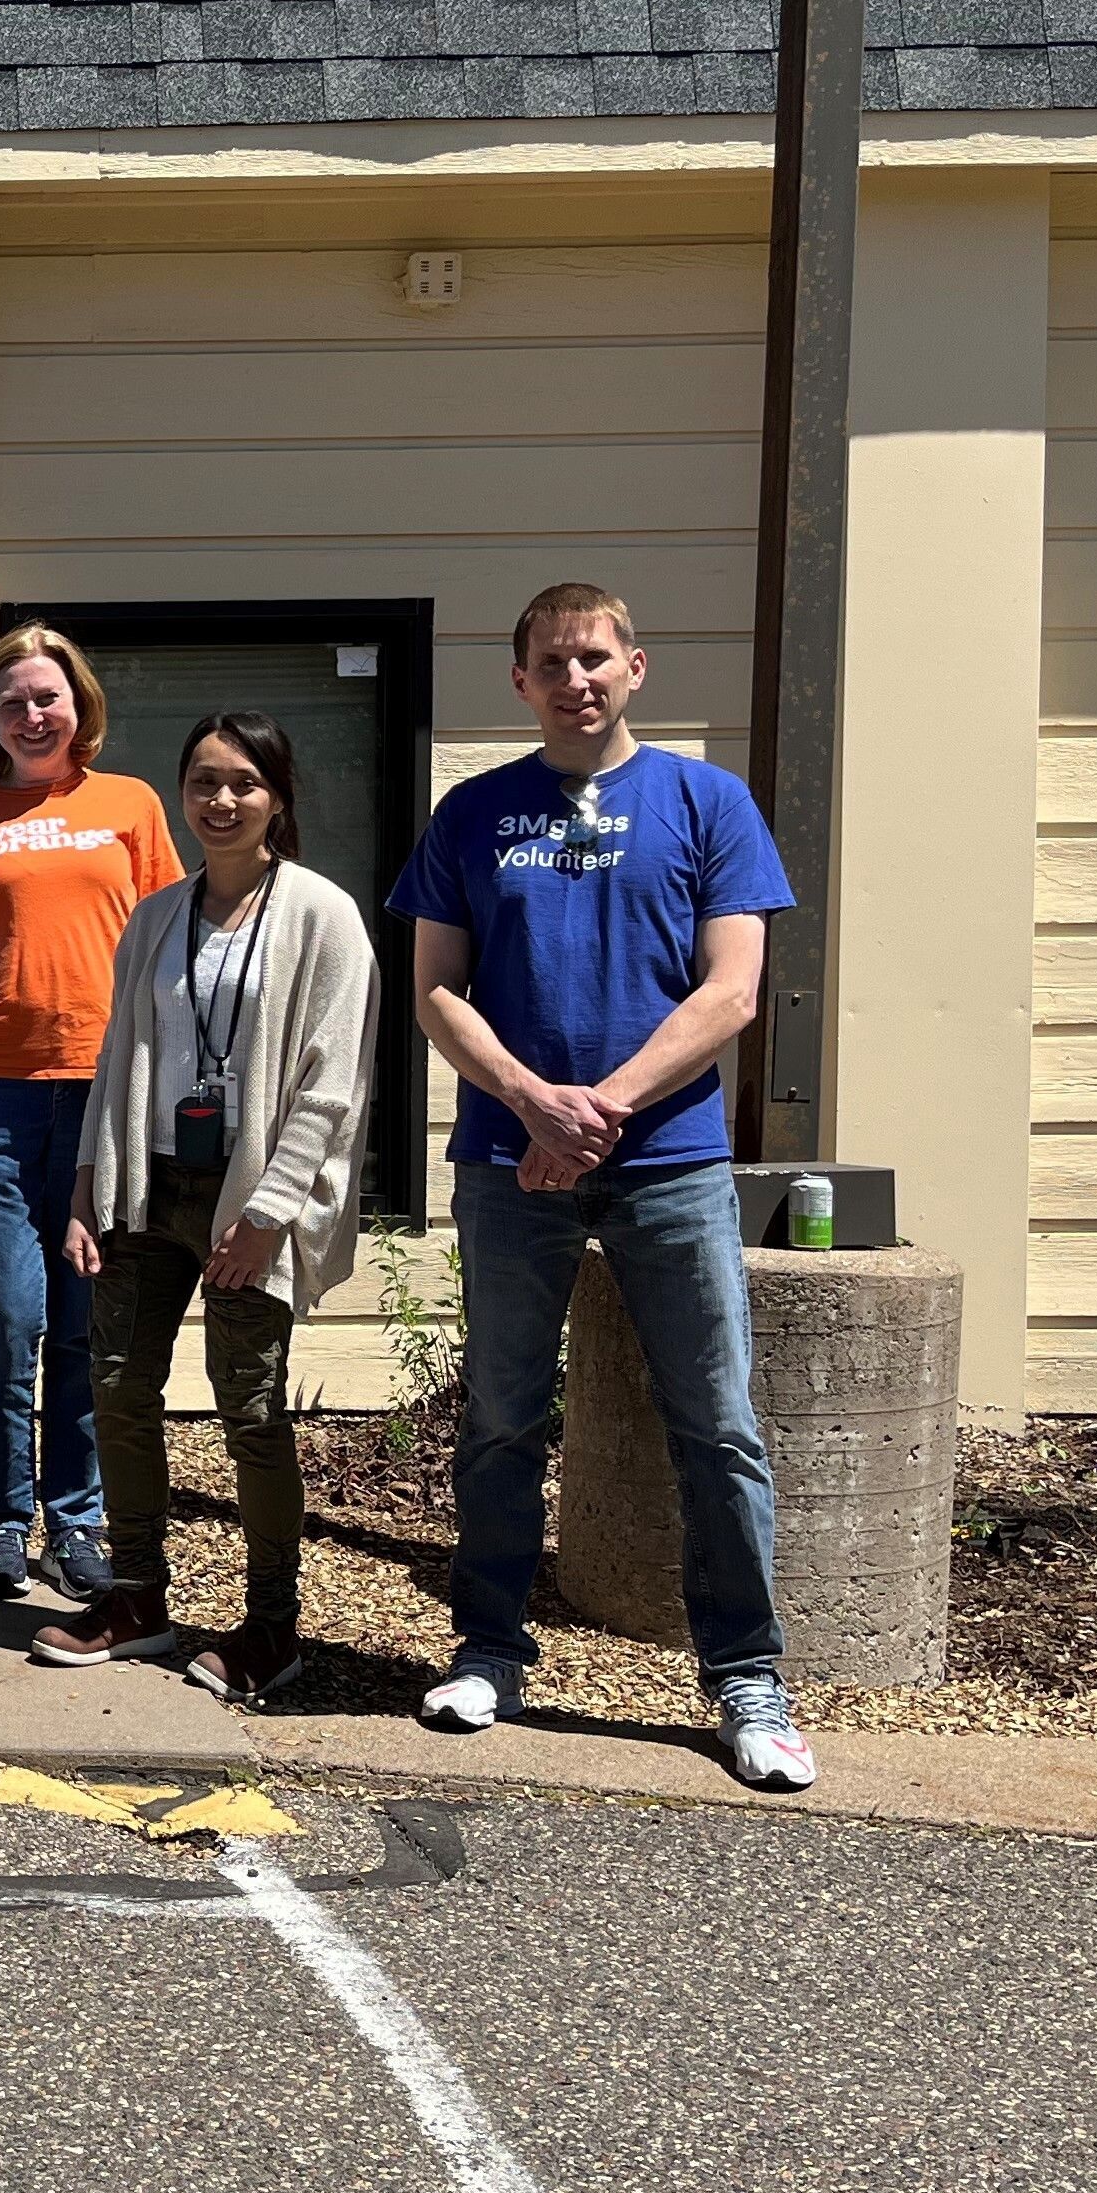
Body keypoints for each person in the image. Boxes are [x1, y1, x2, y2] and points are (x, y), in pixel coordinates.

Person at [387, 581, 815, 1793]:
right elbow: (433, 991)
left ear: (638, 667)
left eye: (596, 658)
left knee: (715, 1424)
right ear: (519, 683)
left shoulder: (706, 802)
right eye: (551, 663)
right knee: (502, 1417)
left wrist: (601, 1108)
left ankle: (746, 1678)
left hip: (669, 1166)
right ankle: (487, 1648)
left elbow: (731, 991)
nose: (576, 679)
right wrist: (534, 1103)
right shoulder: (474, 814)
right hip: (509, 1161)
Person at [39, 713, 377, 1704]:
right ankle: (139, 1595)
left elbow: (332, 1081)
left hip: (247, 1197)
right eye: (202, 783)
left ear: (278, 796)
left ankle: (272, 1624)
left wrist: (272, 1209)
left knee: (252, 1409)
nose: (219, 803)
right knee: (116, 1383)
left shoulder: (321, 915)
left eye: (242, 784)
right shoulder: (157, 915)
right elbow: (118, 1063)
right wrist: (87, 1195)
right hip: (150, 1183)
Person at [0, 620, 184, 1608]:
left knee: (81, 1319)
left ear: (80, 708)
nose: (33, 714)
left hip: (103, 1091)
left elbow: (165, 949)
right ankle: (0, 1520)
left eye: (48, 698)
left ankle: (74, 1521)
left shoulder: (130, 806)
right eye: (13, 701)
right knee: (3, 1315)